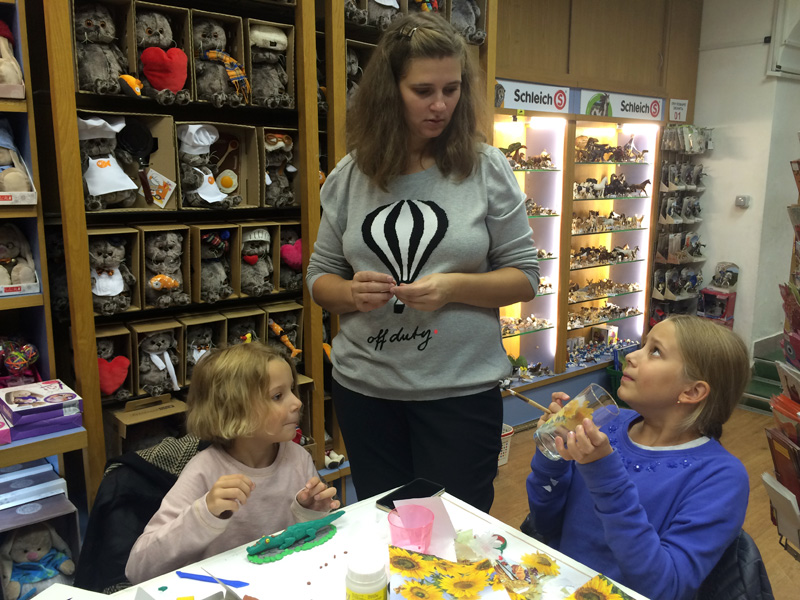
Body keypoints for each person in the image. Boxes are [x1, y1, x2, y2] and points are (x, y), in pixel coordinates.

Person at [306, 11, 539, 512]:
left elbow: (525, 277)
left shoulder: (485, 167)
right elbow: (320, 276)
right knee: (385, 525)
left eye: (452, 90)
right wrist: (350, 293)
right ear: (389, 92)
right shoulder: (351, 174)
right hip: (366, 392)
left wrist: (452, 287)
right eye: (423, 91)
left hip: (460, 393)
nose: (440, 105)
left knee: (454, 532)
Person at [526, 315, 750, 600]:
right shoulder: (607, 422)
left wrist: (604, 474)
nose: (631, 355)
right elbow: (545, 523)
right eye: (643, 345)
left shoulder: (721, 477)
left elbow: (664, 588)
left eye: (655, 351)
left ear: (692, 391)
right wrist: (553, 452)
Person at [125, 343, 339, 583]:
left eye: (291, 389)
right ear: (233, 411)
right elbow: (138, 568)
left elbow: (303, 544)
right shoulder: (204, 471)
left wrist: (311, 513)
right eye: (277, 396)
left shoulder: (298, 458)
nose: (297, 402)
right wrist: (204, 513)